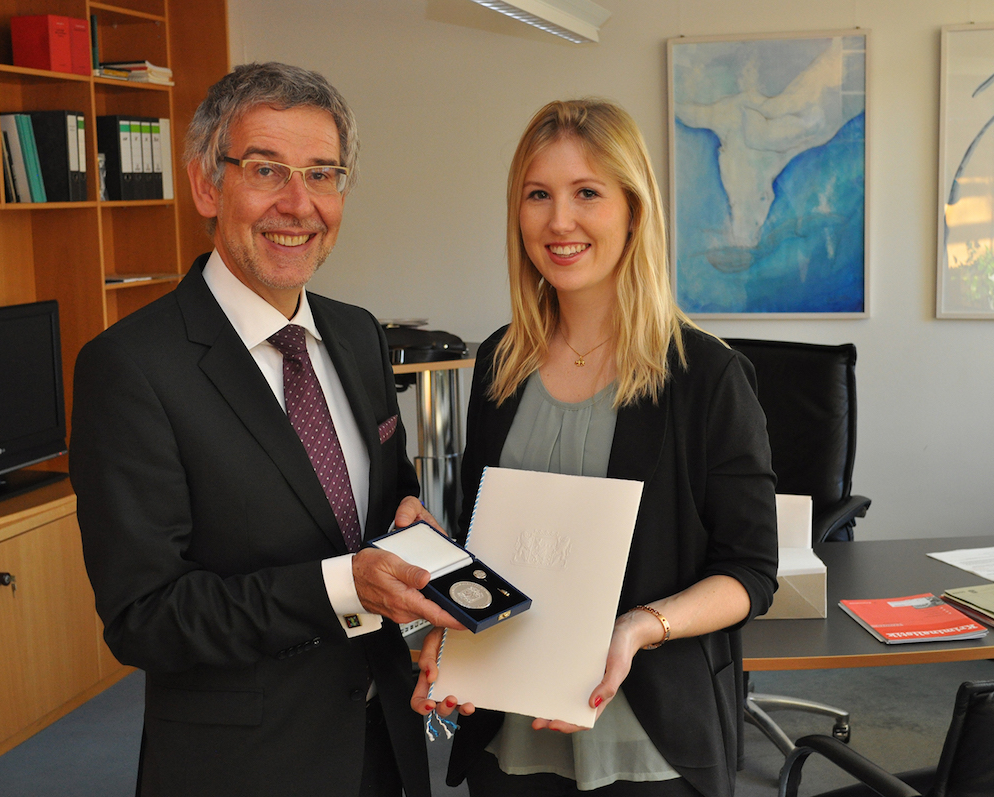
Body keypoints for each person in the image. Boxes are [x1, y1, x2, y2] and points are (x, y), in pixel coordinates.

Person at [70, 62, 462, 797]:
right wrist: (345, 586)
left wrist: (411, 529)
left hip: (383, 744)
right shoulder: (130, 368)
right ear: (205, 186)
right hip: (244, 767)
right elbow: (144, 615)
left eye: (322, 173)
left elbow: (386, 493)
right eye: (266, 170)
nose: (298, 203)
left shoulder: (357, 334)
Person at [412, 99, 780, 796]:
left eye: (587, 193)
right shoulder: (500, 363)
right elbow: (479, 543)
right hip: (509, 726)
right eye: (538, 195)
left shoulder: (706, 377)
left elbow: (751, 570)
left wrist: (640, 627)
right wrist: (453, 629)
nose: (559, 221)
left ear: (633, 210)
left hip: (647, 739)